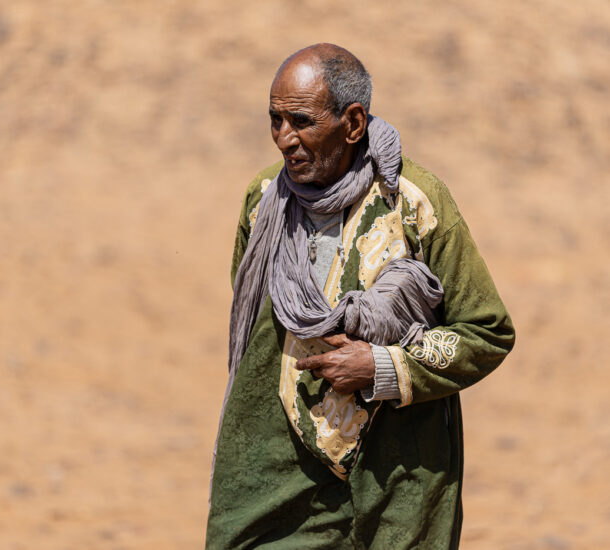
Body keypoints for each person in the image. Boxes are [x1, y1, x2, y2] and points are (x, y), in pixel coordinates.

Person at [206, 43, 515, 549]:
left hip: (395, 477)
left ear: (352, 123)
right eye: (274, 120)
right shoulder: (262, 203)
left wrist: (383, 367)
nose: (284, 139)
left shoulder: (415, 203)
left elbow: (486, 331)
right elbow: (253, 324)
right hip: (276, 478)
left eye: (301, 121)